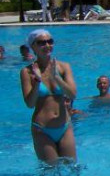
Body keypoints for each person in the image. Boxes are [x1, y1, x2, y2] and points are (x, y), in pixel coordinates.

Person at [19, 29, 77, 163]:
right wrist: (37, 81)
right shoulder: (27, 72)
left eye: (50, 41)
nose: (47, 45)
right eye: (41, 43)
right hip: (42, 129)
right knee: (51, 172)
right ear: (33, 46)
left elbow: (72, 94)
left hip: (64, 127)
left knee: (72, 168)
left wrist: (56, 78)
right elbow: (30, 104)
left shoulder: (64, 67)